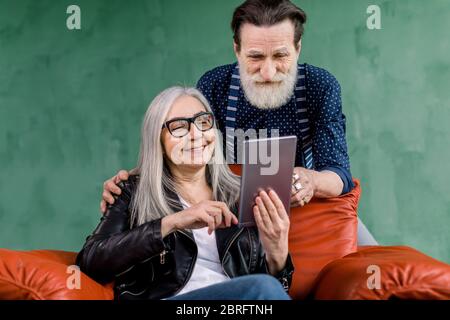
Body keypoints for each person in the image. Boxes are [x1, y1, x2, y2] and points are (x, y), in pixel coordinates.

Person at [99, 0, 378, 245]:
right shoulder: (215, 85)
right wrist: (134, 180)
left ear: (298, 48)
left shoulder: (320, 86)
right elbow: (190, 150)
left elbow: (340, 176)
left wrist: (312, 180)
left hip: (306, 211)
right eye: (255, 57)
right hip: (232, 213)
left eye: (281, 56)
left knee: (376, 267)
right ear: (236, 49)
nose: (268, 73)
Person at [76, 87, 294, 300]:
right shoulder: (132, 191)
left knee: (263, 286)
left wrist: (278, 253)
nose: (196, 134)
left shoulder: (241, 194)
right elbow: (90, 262)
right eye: (179, 127)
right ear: (158, 141)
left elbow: (271, 292)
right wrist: (173, 222)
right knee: (262, 286)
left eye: (203, 121)